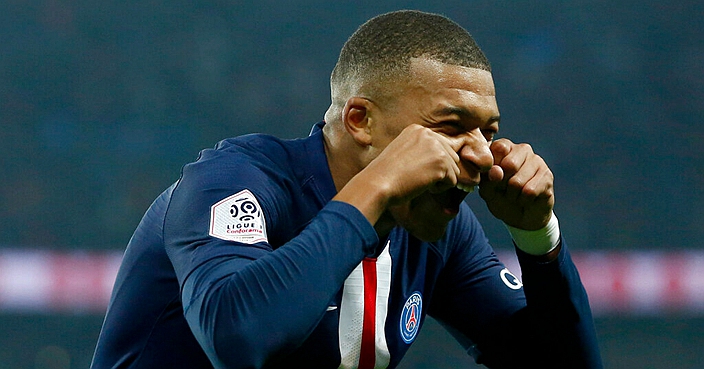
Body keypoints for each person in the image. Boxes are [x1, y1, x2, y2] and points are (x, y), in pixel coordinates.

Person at [91, 10, 602, 369]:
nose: (479, 154)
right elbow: (239, 339)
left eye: (488, 132)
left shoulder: (439, 230)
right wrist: (375, 188)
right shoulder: (234, 181)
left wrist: (537, 236)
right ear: (359, 120)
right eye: (450, 126)